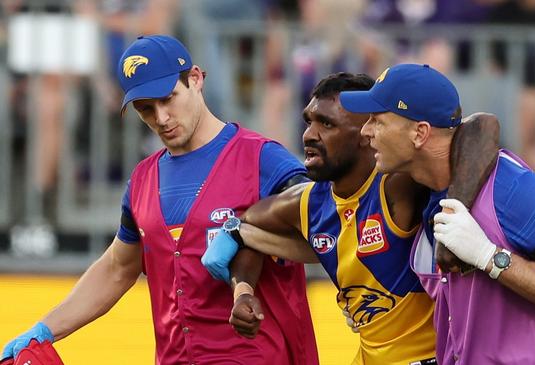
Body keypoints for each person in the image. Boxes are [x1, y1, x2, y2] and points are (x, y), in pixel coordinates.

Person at [2, 35, 318, 365]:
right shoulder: (142, 180)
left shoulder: (262, 160)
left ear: (196, 79)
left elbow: (329, 231)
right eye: (146, 109)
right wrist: (45, 329)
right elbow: (117, 267)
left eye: (168, 99)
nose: (161, 118)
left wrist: (246, 233)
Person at [202, 72, 500, 364]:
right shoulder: (306, 203)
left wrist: (454, 216)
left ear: (366, 133)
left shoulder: (397, 185)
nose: (309, 135)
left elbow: (483, 126)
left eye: (327, 124)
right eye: (309, 121)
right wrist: (243, 291)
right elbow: (244, 229)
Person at [339, 63, 535, 364]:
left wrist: (491, 257)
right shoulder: (426, 198)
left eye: (377, 120)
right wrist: (375, 308)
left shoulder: (512, 189)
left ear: (420, 133)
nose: (365, 131)